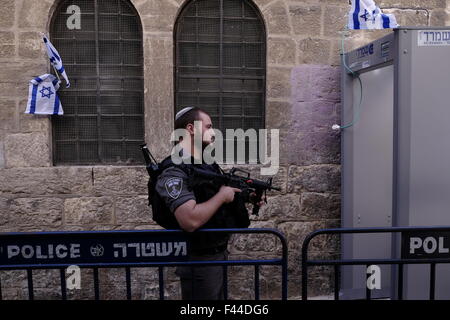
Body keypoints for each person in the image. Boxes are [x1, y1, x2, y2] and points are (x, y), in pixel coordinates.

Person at [154, 106, 262, 300]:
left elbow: (210, 191)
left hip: (215, 254)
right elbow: (190, 220)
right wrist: (222, 196)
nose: (213, 132)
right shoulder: (174, 170)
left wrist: (246, 196)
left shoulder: (203, 163)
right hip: (199, 259)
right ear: (191, 129)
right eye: (209, 126)